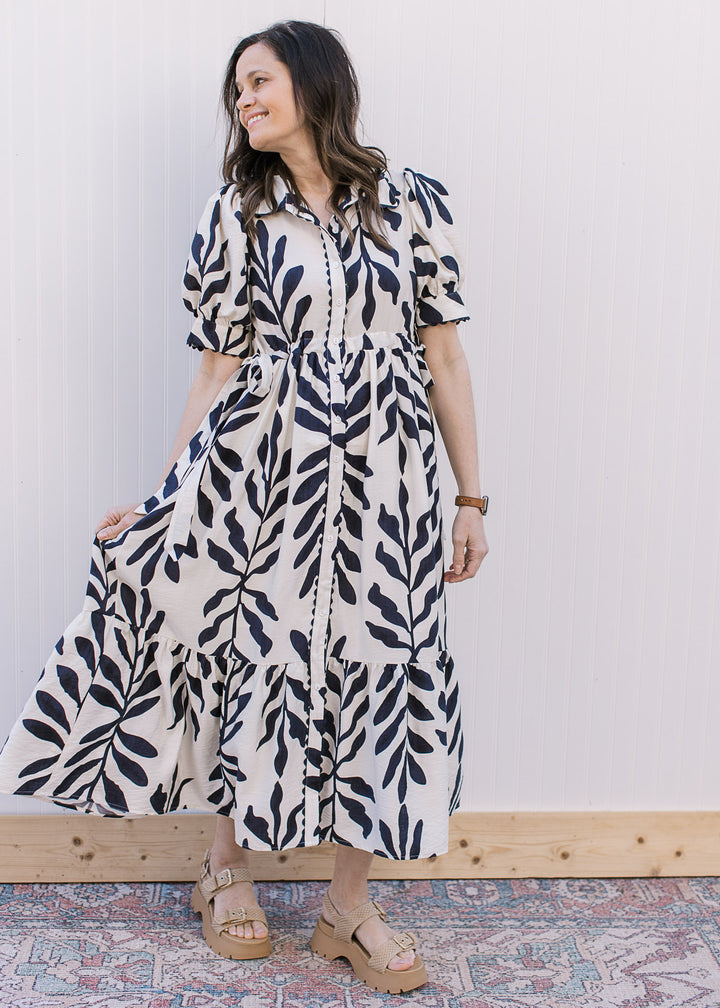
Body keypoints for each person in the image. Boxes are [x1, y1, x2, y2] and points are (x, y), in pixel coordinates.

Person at [0, 18, 488, 996]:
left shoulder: (413, 205)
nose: (245, 102)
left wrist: (471, 497)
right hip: (259, 487)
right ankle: (227, 867)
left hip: (388, 496)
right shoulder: (236, 217)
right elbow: (217, 373)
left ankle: (349, 908)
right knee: (250, 667)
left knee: (383, 683)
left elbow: (443, 357)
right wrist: (164, 501)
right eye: (236, 92)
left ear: (313, 84)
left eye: (258, 82)